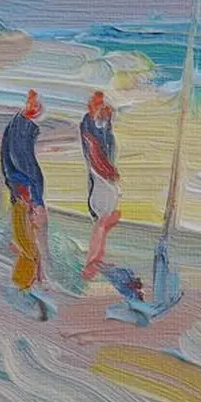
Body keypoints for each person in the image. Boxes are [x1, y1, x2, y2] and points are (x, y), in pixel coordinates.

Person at [0, 89, 48, 292]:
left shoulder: (18, 125)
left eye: (38, 105)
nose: (38, 108)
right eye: (34, 104)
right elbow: (22, 163)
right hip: (24, 192)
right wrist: (34, 197)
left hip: (21, 191)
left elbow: (11, 161)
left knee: (26, 238)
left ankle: (30, 280)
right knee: (27, 241)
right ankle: (23, 284)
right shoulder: (21, 128)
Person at [79, 90, 121, 279]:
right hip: (100, 178)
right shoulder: (89, 126)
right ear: (91, 107)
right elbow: (94, 153)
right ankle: (91, 262)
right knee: (102, 221)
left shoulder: (102, 125)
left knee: (104, 221)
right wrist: (110, 171)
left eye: (103, 104)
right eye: (99, 105)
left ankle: (95, 260)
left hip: (104, 178)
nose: (104, 108)